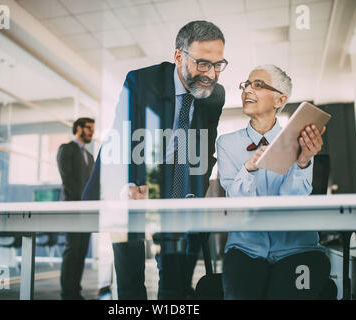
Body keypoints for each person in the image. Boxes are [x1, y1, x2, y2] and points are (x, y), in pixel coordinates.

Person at [82, 20, 227, 299]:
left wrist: (195, 191)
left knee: (176, 283)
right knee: (130, 280)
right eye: (203, 63)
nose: (211, 73)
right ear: (178, 56)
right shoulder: (142, 81)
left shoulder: (215, 95)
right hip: (134, 172)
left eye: (218, 64)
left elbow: (206, 145)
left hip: (179, 177)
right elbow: (121, 137)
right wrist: (128, 185)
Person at [216, 65, 332, 299]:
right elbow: (237, 204)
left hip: (299, 251)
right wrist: (248, 169)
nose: (247, 89)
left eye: (257, 84)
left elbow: (291, 201)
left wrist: (303, 161)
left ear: (281, 99)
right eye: (246, 84)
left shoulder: (301, 139)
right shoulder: (226, 143)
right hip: (245, 250)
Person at [57, 117, 95, 300]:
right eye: (88, 128)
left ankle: (75, 291)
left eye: (93, 129)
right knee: (72, 250)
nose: (91, 132)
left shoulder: (89, 156)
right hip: (72, 209)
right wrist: (82, 202)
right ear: (78, 128)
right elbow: (68, 180)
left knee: (81, 251)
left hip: (87, 212)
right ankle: (67, 293)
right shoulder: (67, 149)